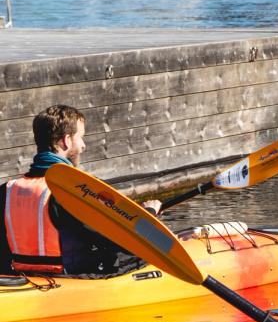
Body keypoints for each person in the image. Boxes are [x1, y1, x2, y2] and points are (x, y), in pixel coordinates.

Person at [0, 104, 161, 278]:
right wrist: (149, 214)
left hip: (20, 279)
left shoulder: (7, 190)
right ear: (66, 141)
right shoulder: (70, 193)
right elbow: (120, 241)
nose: (83, 146)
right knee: (138, 254)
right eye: (81, 138)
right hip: (70, 280)